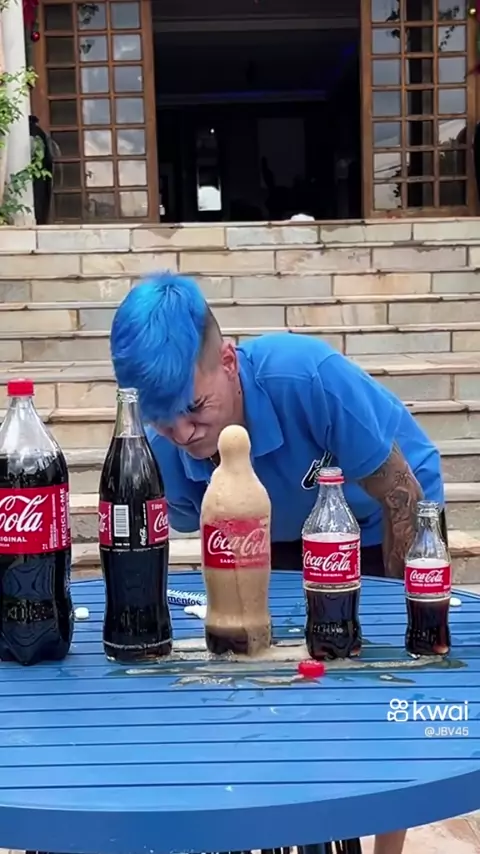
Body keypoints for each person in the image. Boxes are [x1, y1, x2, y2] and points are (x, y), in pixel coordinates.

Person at [110, 272, 446, 854]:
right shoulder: (164, 443)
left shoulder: (307, 378)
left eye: (195, 407)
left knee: (379, 688)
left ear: (229, 363)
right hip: (282, 529)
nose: (185, 434)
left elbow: (402, 494)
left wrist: (399, 625)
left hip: (384, 514)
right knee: (277, 677)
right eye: (164, 419)